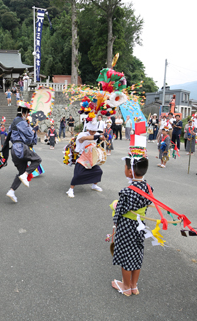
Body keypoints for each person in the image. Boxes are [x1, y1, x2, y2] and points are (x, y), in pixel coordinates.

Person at [111, 153, 151, 297]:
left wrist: (115, 207)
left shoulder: (127, 192)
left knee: (125, 255)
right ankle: (134, 285)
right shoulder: (148, 188)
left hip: (126, 226)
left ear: (129, 171)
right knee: (137, 253)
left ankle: (126, 287)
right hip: (140, 225)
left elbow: (119, 212)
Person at [5, 101, 42, 203]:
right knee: (37, 160)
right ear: (23, 112)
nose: (28, 115)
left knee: (21, 173)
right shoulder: (20, 121)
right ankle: (26, 175)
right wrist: (33, 130)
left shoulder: (15, 122)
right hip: (20, 148)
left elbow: (30, 139)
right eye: (27, 112)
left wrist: (31, 128)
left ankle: (11, 191)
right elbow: (30, 137)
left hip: (14, 150)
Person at [66, 121, 105, 198]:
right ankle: (70, 189)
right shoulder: (82, 134)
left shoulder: (96, 134)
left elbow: (97, 139)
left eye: (95, 131)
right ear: (88, 129)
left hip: (91, 157)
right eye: (92, 131)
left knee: (98, 171)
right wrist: (97, 136)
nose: (94, 132)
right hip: (82, 157)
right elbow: (84, 138)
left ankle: (94, 185)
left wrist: (104, 136)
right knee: (78, 174)